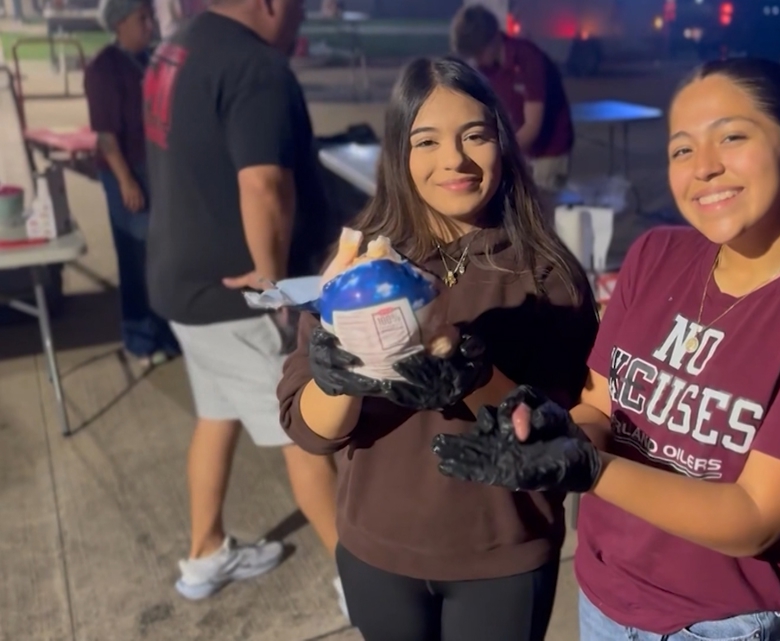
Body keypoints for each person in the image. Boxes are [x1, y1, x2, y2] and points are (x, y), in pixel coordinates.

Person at [433, 57, 780, 640]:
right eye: (682, 149)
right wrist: (550, 434)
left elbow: (754, 518)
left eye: (731, 137)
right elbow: (599, 409)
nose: (703, 167)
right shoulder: (657, 255)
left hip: (715, 622)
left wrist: (589, 468)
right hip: (605, 593)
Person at [277, 57, 598, 641]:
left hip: (501, 559)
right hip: (377, 555)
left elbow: (564, 434)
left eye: (474, 135)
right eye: (426, 141)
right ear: (399, 153)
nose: (454, 159)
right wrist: (335, 374)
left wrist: (472, 373)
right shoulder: (361, 267)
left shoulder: (548, 276)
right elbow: (310, 431)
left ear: (503, 142)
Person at [141, 0, 344, 613]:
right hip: (238, 299)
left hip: (180, 280)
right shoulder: (256, 67)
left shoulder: (176, 46)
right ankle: (361, 582)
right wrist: (275, 282)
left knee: (218, 414)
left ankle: (205, 554)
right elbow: (264, 183)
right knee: (305, 432)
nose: (302, 17)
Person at [87, 0, 181, 368]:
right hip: (125, 171)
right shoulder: (104, 68)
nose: (150, 26)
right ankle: (140, 337)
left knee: (160, 256)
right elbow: (105, 134)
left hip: (155, 169)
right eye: (142, 19)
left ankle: (165, 331)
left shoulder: (150, 61)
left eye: (150, 17)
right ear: (120, 23)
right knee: (136, 255)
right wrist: (126, 181)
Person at [450, 4, 574, 195]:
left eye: (479, 54)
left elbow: (533, 125)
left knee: (543, 213)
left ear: (493, 40)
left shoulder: (528, 60)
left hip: (549, 153)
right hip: (521, 151)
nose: (477, 61)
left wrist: (499, 154)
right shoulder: (488, 69)